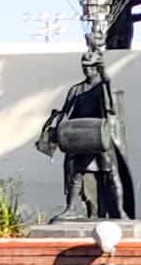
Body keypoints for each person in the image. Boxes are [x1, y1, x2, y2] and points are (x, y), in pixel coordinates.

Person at [37, 51, 135, 220]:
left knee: (111, 174)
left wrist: (106, 78)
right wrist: (57, 125)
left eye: (90, 67)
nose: (87, 70)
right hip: (81, 137)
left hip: (100, 136)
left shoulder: (102, 87)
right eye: (84, 67)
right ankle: (70, 208)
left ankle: (120, 211)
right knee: (76, 174)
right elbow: (67, 113)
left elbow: (110, 107)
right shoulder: (76, 89)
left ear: (97, 68)